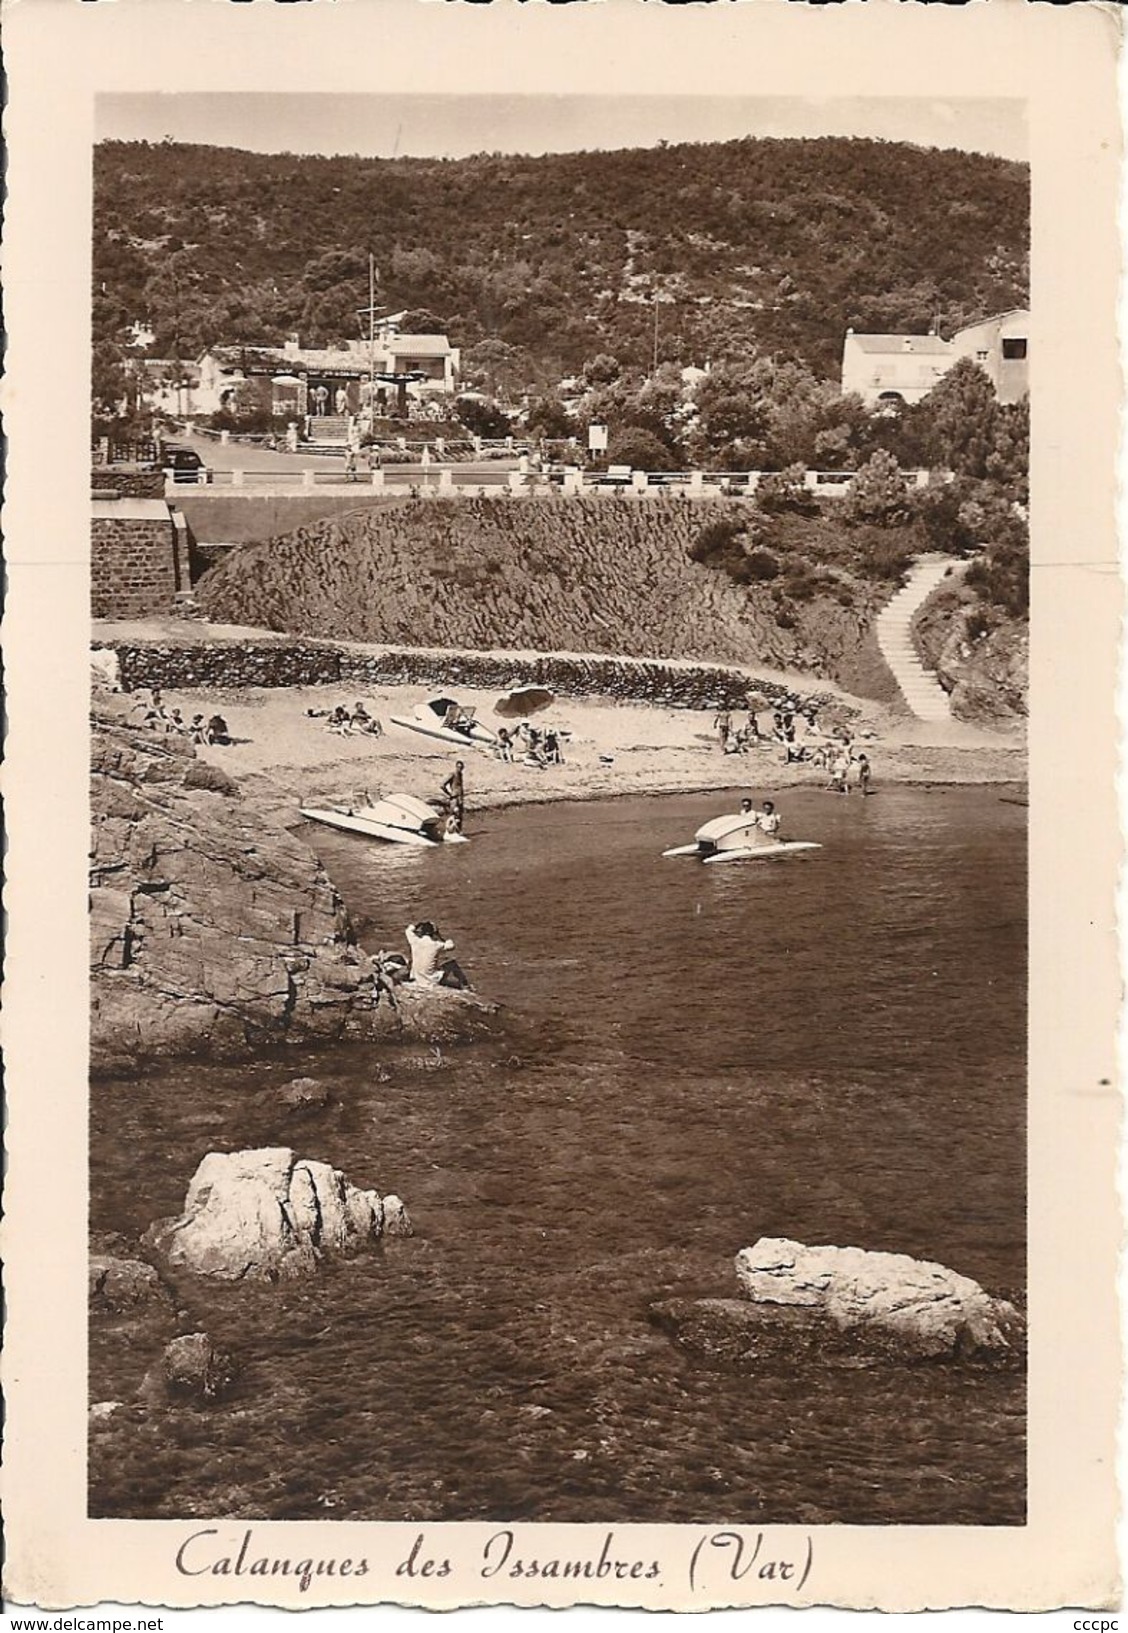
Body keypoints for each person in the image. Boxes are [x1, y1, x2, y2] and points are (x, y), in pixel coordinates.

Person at [405, 921, 470, 989]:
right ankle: (465, 985)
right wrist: (440, 937)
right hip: (431, 980)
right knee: (452, 964)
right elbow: (451, 946)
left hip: (416, 978)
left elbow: (408, 930)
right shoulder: (436, 944)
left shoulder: (415, 941)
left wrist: (418, 924)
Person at [441, 761, 465, 829]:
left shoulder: (460, 775)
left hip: (460, 798)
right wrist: (449, 793)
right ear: (456, 767)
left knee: (460, 816)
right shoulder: (452, 774)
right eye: (458, 767)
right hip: (454, 798)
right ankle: (450, 830)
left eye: (461, 767)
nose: (459, 769)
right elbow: (442, 785)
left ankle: (459, 831)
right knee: (453, 815)